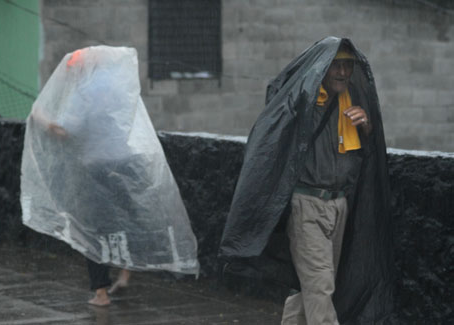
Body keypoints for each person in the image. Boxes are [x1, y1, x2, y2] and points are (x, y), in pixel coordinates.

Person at [219, 37, 392, 324]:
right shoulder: (304, 104)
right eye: (335, 65)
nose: (342, 72)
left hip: (339, 206)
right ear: (321, 68)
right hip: (307, 206)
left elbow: (365, 160)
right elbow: (274, 137)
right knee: (320, 287)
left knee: (308, 287)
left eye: (347, 65)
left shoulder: (351, 105)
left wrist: (367, 128)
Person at [21, 46, 199, 307]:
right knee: (127, 219)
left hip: (96, 168)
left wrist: (41, 117)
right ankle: (126, 270)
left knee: (91, 228)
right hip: (125, 163)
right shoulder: (117, 85)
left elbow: (65, 129)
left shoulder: (84, 90)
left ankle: (101, 293)